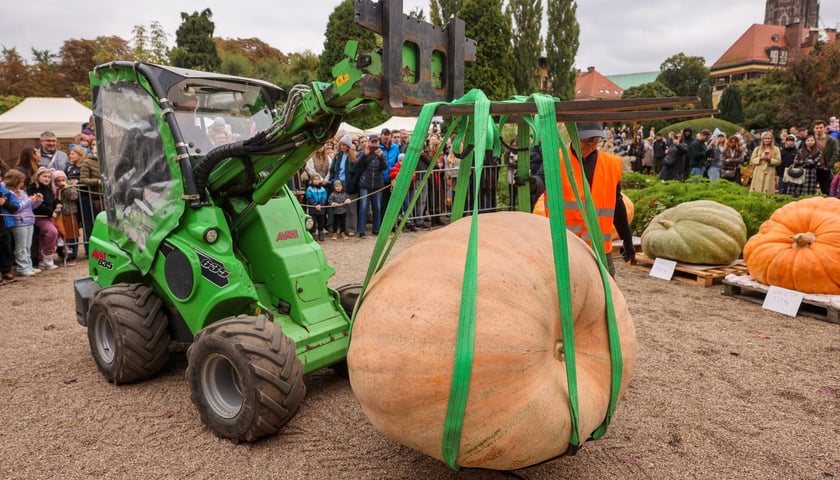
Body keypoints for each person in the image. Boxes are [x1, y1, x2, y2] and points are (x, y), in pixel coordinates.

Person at [532, 122, 634, 277]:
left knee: (605, 293)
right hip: (566, 245)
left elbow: (617, 204)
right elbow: (541, 182)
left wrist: (627, 239)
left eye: (596, 140)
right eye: (587, 140)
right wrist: (532, 183)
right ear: (574, 137)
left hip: (600, 247)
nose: (592, 145)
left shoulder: (612, 164)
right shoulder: (556, 160)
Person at [5, 169, 42, 276]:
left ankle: (28, 266)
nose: (22, 184)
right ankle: (22, 268)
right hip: (19, 223)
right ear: (14, 181)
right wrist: (29, 200)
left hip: (29, 220)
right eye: (20, 181)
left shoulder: (22, 192)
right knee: (20, 247)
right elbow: (17, 208)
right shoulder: (9, 194)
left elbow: (29, 206)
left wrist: (37, 201)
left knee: (27, 246)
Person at [352, 134, 387, 238]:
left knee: (377, 207)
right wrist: (365, 155)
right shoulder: (362, 153)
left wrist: (381, 157)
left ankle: (376, 229)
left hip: (377, 184)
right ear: (369, 142)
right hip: (365, 184)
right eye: (372, 142)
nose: (374, 144)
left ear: (378, 143)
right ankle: (361, 230)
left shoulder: (381, 153)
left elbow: (384, 167)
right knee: (363, 207)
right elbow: (357, 166)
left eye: (376, 142)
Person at [27, 167, 59, 270]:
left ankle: (42, 260)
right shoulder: (32, 188)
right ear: (38, 176)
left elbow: (52, 200)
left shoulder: (49, 188)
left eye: (49, 177)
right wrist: (50, 212)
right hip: (39, 216)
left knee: (44, 237)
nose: (47, 179)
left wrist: (58, 203)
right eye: (44, 176)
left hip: (49, 216)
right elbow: (36, 205)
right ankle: (47, 256)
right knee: (51, 232)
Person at [330, 135, 358, 236]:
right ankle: (342, 229)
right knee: (340, 209)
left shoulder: (354, 156)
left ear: (348, 146)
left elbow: (355, 171)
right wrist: (332, 180)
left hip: (350, 185)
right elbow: (333, 169)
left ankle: (352, 228)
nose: (342, 147)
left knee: (351, 209)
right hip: (339, 185)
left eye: (344, 145)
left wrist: (353, 184)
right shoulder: (338, 156)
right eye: (341, 145)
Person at [52, 170, 80, 262]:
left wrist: (67, 188)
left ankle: (73, 254)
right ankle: (62, 253)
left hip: (70, 213)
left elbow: (74, 196)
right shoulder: (54, 189)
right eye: (58, 181)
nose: (60, 183)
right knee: (62, 233)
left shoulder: (70, 187)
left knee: (72, 234)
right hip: (59, 214)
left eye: (62, 180)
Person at [79, 148, 102, 248]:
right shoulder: (87, 162)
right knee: (91, 226)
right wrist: (97, 181)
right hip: (92, 198)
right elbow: (83, 179)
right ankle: (90, 249)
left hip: (105, 197)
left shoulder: (109, 161)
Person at [378, 128, 401, 223]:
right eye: (384, 134)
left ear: (390, 136)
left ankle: (392, 224)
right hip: (381, 179)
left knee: (393, 204)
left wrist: (395, 175)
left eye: (388, 135)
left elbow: (398, 162)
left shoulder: (395, 148)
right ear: (381, 135)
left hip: (393, 179)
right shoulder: (378, 148)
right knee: (383, 204)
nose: (386, 136)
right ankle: (383, 225)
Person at [0, 176, 21, 284]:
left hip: (5, 225)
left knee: (6, 248)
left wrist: (5, 203)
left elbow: (16, 207)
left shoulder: (7, 193)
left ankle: (5, 271)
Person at [813, 120, 839, 195]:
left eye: (821, 127)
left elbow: (836, 154)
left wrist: (828, 166)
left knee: (827, 191)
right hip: (813, 169)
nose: (819, 129)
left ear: (824, 128)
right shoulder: (810, 140)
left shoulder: (832, 140)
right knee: (810, 192)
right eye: (817, 128)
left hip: (825, 169)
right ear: (814, 129)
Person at [304, 174, 328, 241]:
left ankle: (321, 232)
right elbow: (309, 197)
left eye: (318, 179)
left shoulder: (322, 189)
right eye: (315, 179)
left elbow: (324, 197)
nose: (316, 181)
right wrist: (315, 205)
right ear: (312, 180)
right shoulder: (309, 188)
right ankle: (313, 233)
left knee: (321, 222)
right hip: (313, 208)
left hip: (321, 208)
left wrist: (321, 204)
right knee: (313, 222)